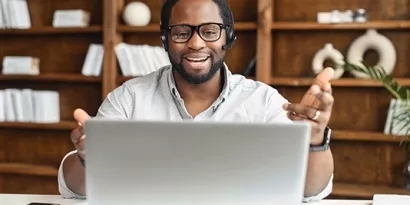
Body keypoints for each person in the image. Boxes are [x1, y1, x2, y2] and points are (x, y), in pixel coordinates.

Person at [58, 0, 335, 203]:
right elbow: (74, 189)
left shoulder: (263, 101)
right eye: (181, 32)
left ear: (228, 38)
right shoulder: (129, 98)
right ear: (166, 40)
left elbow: (311, 191)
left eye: (210, 31)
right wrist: (86, 159)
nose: (196, 43)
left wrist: (316, 138)